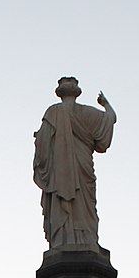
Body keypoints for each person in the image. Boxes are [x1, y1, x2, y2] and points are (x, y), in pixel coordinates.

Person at [33, 76, 116, 249]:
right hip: (79, 165)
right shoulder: (85, 113)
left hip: (71, 168)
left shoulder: (53, 113)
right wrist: (106, 105)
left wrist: (39, 139)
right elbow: (109, 120)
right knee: (84, 204)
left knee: (77, 202)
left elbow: (42, 144)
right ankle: (84, 238)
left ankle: (65, 238)